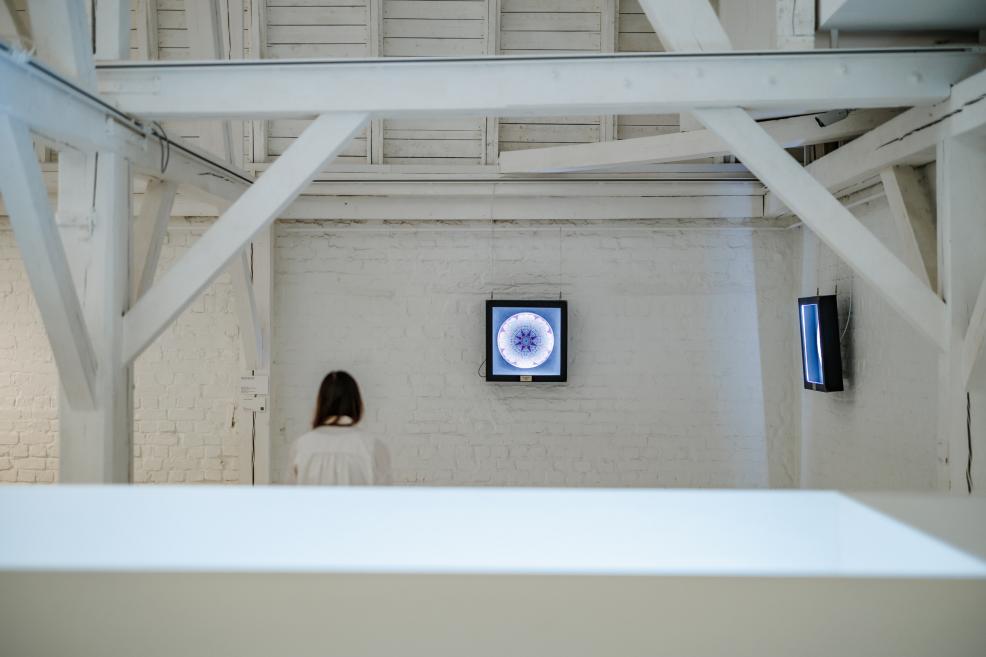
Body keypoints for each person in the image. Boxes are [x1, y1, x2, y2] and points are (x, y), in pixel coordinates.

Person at [286, 371, 392, 485]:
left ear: (321, 402)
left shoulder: (301, 446)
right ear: (356, 402)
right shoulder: (372, 446)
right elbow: (385, 499)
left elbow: (289, 497)